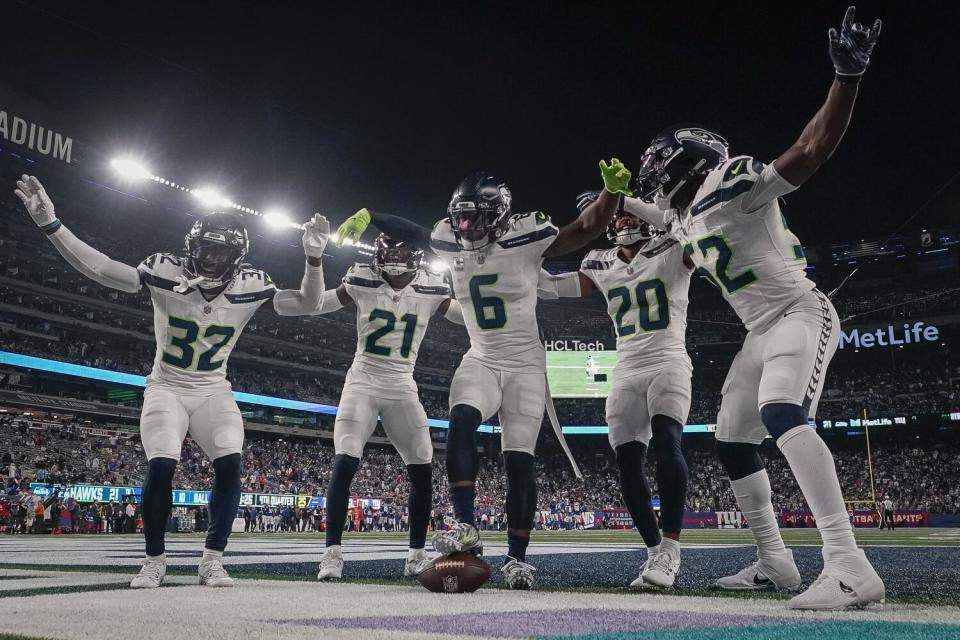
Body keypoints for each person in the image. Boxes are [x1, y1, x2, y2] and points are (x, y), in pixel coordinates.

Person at [626, 6, 883, 609]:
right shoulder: (688, 216)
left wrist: (846, 77)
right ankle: (776, 562)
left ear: (682, 164)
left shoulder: (734, 185)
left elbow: (811, 148)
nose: (649, 179)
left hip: (798, 311)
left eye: (655, 169)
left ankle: (848, 563)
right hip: (757, 332)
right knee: (732, 440)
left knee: (780, 411)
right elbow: (668, 219)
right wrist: (619, 200)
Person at [14, 175, 329, 588]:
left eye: (221, 253)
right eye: (205, 250)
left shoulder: (252, 285)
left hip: (213, 389)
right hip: (167, 386)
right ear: (189, 248)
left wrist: (314, 257)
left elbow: (308, 303)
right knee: (161, 465)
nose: (211, 260)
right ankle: (154, 560)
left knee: (231, 464)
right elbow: (104, 269)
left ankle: (212, 559)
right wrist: (52, 225)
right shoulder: (165, 271)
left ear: (237, 258)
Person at [334, 158, 632, 588]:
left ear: (500, 215)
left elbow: (584, 230)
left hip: (526, 364)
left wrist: (610, 194)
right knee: (461, 418)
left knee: (519, 462)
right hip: (483, 356)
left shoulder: (526, 236)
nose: (468, 225)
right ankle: (466, 525)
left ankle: (517, 559)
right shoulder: (448, 239)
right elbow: (415, 231)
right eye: (462, 216)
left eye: (476, 216)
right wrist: (370, 214)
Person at [539, 195, 694, 589]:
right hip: (626, 367)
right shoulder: (601, 262)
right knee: (627, 460)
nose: (624, 220)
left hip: (668, 359)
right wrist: (517, 267)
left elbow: (696, 233)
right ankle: (654, 551)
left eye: (628, 211)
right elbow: (556, 288)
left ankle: (672, 547)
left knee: (667, 442)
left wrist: (635, 201)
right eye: (618, 213)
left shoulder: (672, 246)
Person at [313, 234, 465, 580]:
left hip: (402, 384)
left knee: (423, 460)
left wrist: (487, 303)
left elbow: (464, 316)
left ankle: (415, 555)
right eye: (388, 253)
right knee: (346, 457)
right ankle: (332, 554)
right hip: (362, 381)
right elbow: (320, 303)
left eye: (400, 252)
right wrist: (314, 261)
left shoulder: (432, 286)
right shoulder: (361, 277)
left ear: (414, 257)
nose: (393, 259)